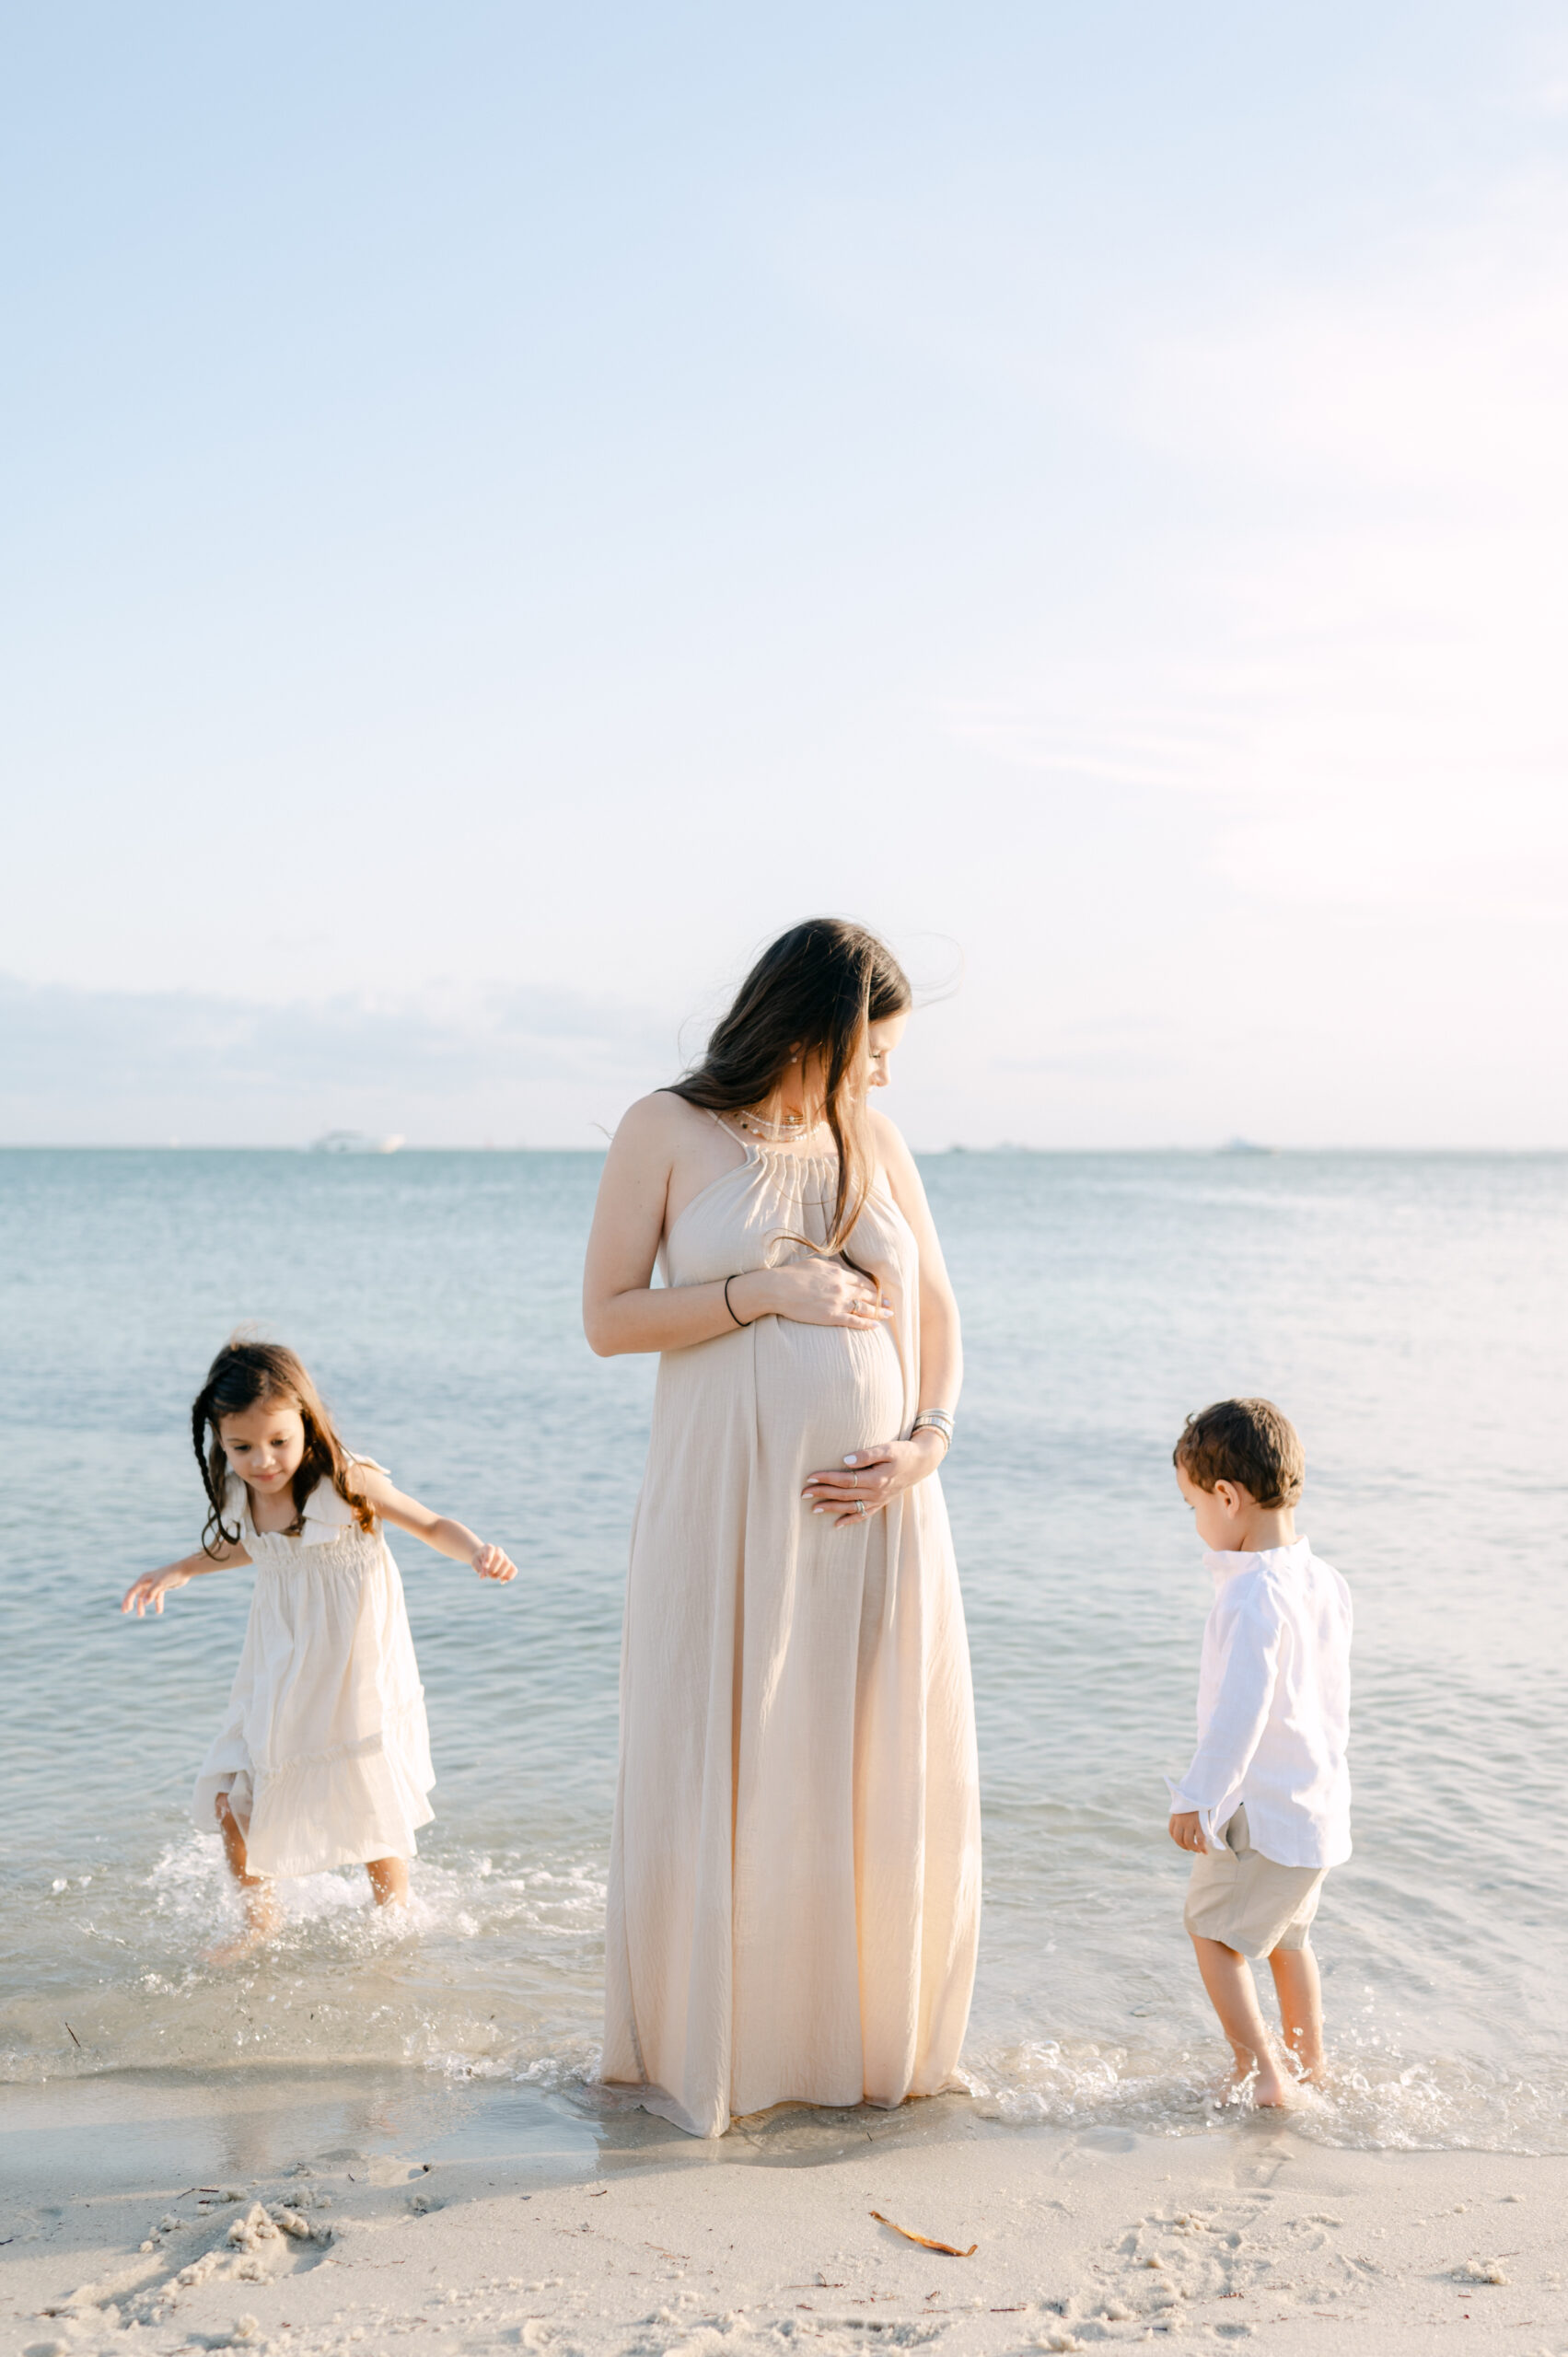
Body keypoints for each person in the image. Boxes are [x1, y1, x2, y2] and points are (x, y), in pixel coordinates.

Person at [582, 917, 981, 2138]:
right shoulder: (664, 1127)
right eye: (872, 1050)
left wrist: (925, 1441)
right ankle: (726, 2055)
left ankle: (859, 2056)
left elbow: (941, 1314)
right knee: (732, 1757)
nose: (884, 1075)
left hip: (880, 1523)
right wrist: (759, 1293)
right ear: (811, 1027)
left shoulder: (876, 1138)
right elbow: (607, 1317)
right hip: (724, 1511)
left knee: (864, 1770)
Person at [122, 1338, 517, 1961]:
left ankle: (395, 1915)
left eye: (278, 1441)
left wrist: (475, 1551)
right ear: (220, 1441)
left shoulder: (346, 1480)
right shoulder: (241, 1491)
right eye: (242, 1448)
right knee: (232, 1787)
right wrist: (183, 1569)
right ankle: (259, 1920)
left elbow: (430, 1524)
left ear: (305, 1420)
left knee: (361, 1785)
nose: (263, 1461)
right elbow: (252, 1544)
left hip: (351, 1662)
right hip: (280, 1659)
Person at [1167, 1397, 1352, 2105]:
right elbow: (1327, 1703)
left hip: (1264, 1812)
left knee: (1211, 1933)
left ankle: (1262, 2074)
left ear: (1226, 1495)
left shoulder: (1250, 1596)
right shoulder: (1321, 1581)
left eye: (1191, 1507)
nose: (1195, 1524)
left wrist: (1197, 1797)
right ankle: (1311, 2067)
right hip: (1313, 1809)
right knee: (1286, 1940)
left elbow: (1237, 1716)